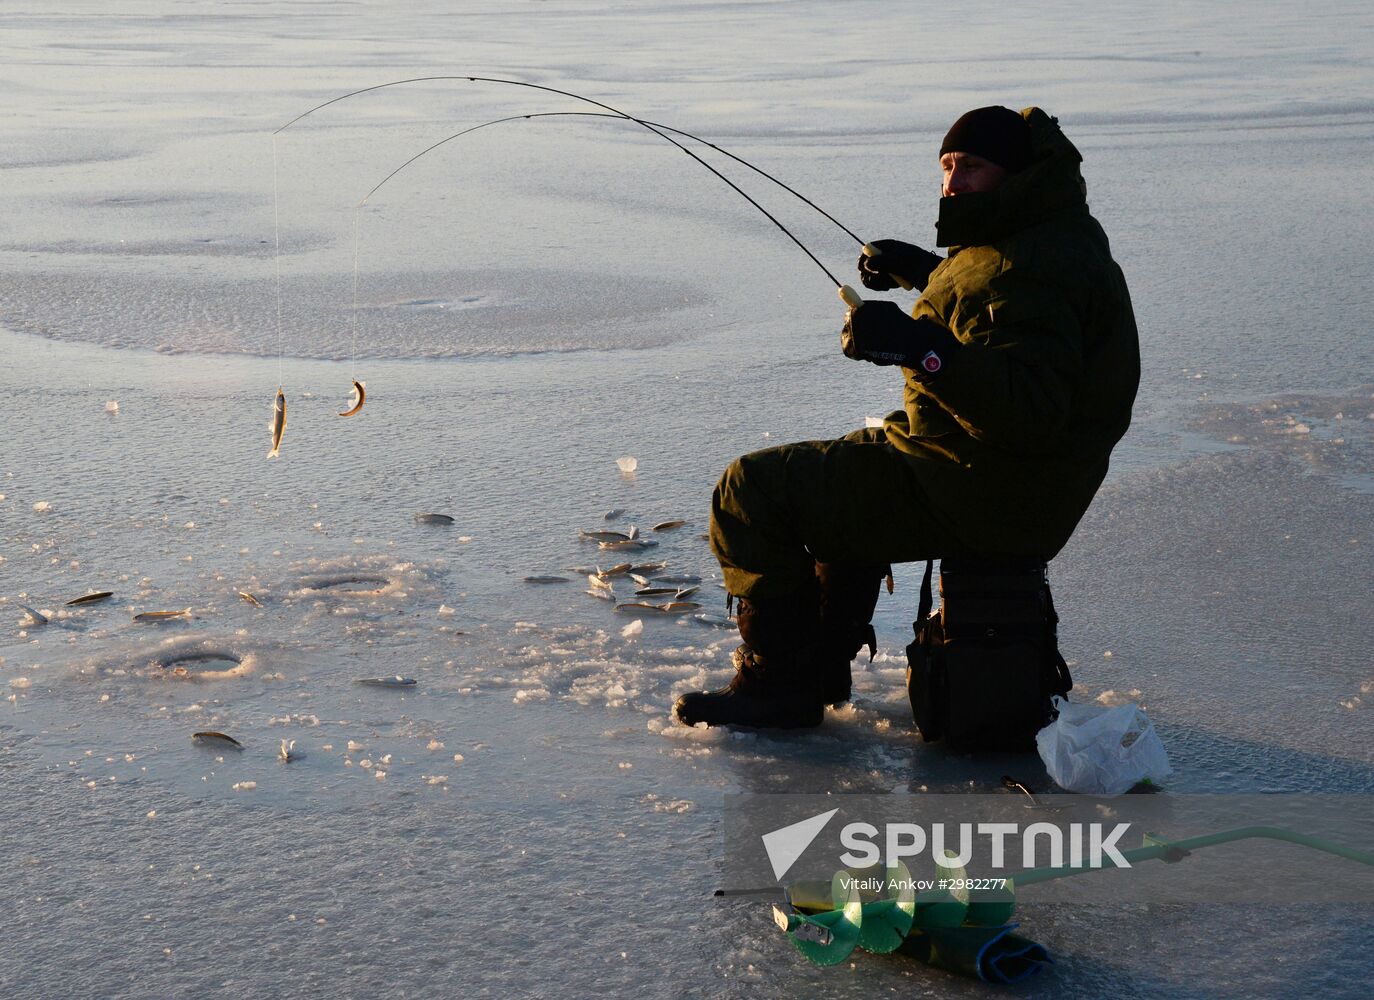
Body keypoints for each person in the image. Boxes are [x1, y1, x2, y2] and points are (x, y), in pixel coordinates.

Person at [674, 106, 1140, 729]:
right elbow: (991, 306)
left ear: (1017, 174)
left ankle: (782, 685)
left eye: (971, 167)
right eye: (947, 167)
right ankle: (816, 666)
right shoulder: (1046, 235)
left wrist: (918, 347)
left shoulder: (1025, 269)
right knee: (847, 470)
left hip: (981, 487)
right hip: (997, 478)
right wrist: (925, 271)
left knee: (751, 490)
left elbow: (1029, 414)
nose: (952, 182)